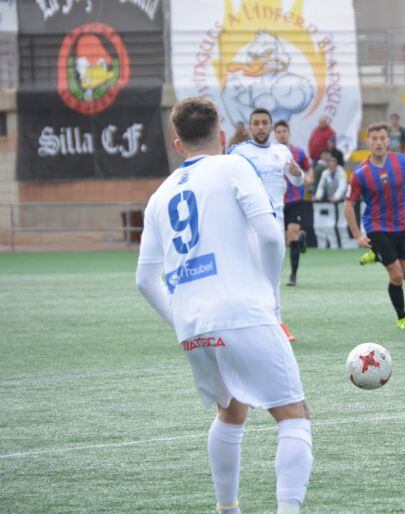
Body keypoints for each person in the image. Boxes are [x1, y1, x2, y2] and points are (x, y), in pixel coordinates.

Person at [136, 97, 313, 514]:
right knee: (293, 414)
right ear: (220, 135)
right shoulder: (234, 166)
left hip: (193, 325)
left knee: (231, 413)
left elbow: (144, 279)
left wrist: (181, 319)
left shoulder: (159, 196)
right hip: (242, 311)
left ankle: (227, 508)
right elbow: (270, 236)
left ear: (177, 143)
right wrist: (269, 294)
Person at [344, 122, 405, 329]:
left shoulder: (402, 161)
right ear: (368, 142)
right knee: (397, 275)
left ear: (388, 141)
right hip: (377, 228)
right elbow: (348, 206)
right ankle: (403, 317)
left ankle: (376, 254)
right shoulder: (360, 173)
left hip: (402, 227)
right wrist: (357, 235)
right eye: (374, 139)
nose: (378, 142)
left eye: (382, 138)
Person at [228, 108, 305, 343]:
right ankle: (250, 323)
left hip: (276, 222)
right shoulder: (238, 152)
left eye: (264, 123)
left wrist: (297, 174)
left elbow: (297, 181)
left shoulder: (282, 151)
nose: (261, 127)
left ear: (271, 127)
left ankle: (275, 322)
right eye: (256, 123)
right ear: (250, 127)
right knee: (249, 274)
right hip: (248, 223)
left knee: (272, 276)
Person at [274, 120, 312, 287]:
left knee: (292, 235)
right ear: (275, 134)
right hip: (277, 201)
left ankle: (293, 275)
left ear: (289, 133)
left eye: (284, 131)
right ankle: (301, 238)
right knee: (284, 241)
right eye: (279, 132)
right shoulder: (271, 153)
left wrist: (308, 178)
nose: (282, 134)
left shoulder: (298, 152)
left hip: (295, 199)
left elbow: (308, 168)